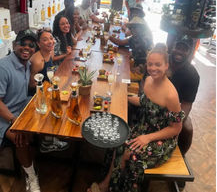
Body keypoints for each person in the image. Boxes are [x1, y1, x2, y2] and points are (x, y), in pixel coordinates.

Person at [87, 43, 185, 192]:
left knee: (131, 156)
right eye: (150, 64)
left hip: (161, 138)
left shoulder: (171, 95)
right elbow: (144, 101)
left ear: (166, 66)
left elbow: (176, 128)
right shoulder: (148, 80)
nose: (153, 68)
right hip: (144, 128)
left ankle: (116, 186)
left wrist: (148, 138)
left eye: (158, 64)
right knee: (118, 140)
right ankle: (111, 184)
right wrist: (123, 96)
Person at [0, 29, 41, 192]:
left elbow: (26, 88)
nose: (27, 47)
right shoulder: (3, 67)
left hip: (20, 109)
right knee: (21, 138)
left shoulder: (28, 64)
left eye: (31, 45)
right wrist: (13, 121)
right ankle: (32, 176)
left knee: (45, 118)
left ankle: (37, 150)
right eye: (22, 43)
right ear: (15, 45)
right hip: (5, 117)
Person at [29, 28, 69, 153]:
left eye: (51, 38)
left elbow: (53, 60)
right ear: (38, 44)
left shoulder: (50, 53)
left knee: (65, 98)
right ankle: (46, 142)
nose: (50, 42)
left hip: (48, 87)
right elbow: (30, 84)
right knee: (56, 106)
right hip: (36, 94)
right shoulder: (37, 61)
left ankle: (54, 134)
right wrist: (46, 89)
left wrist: (66, 55)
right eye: (45, 40)